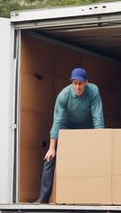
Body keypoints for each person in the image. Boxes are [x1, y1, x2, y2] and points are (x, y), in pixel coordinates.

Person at [35, 67, 104, 204]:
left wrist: (100, 143)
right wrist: (52, 148)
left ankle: (97, 195)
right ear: (72, 83)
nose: (77, 87)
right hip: (67, 127)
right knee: (50, 158)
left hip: (87, 127)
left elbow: (98, 118)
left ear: (86, 83)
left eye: (80, 83)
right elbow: (57, 121)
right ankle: (43, 197)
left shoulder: (93, 91)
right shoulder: (63, 95)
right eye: (75, 83)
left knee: (98, 156)